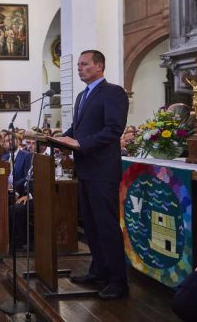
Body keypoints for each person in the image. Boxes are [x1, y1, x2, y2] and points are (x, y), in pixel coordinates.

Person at [56, 50, 129, 300]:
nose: (79, 69)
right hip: (85, 170)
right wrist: (58, 138)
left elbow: (113, 130)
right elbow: (77, 129)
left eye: (85, 64)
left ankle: (118, 282)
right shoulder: (81, 96)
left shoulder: (113, 92)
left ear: (99, 66)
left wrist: (79, 144)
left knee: (107, 226)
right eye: (78, 65)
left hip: (102, 170)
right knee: (91, 225)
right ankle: (98, 271)